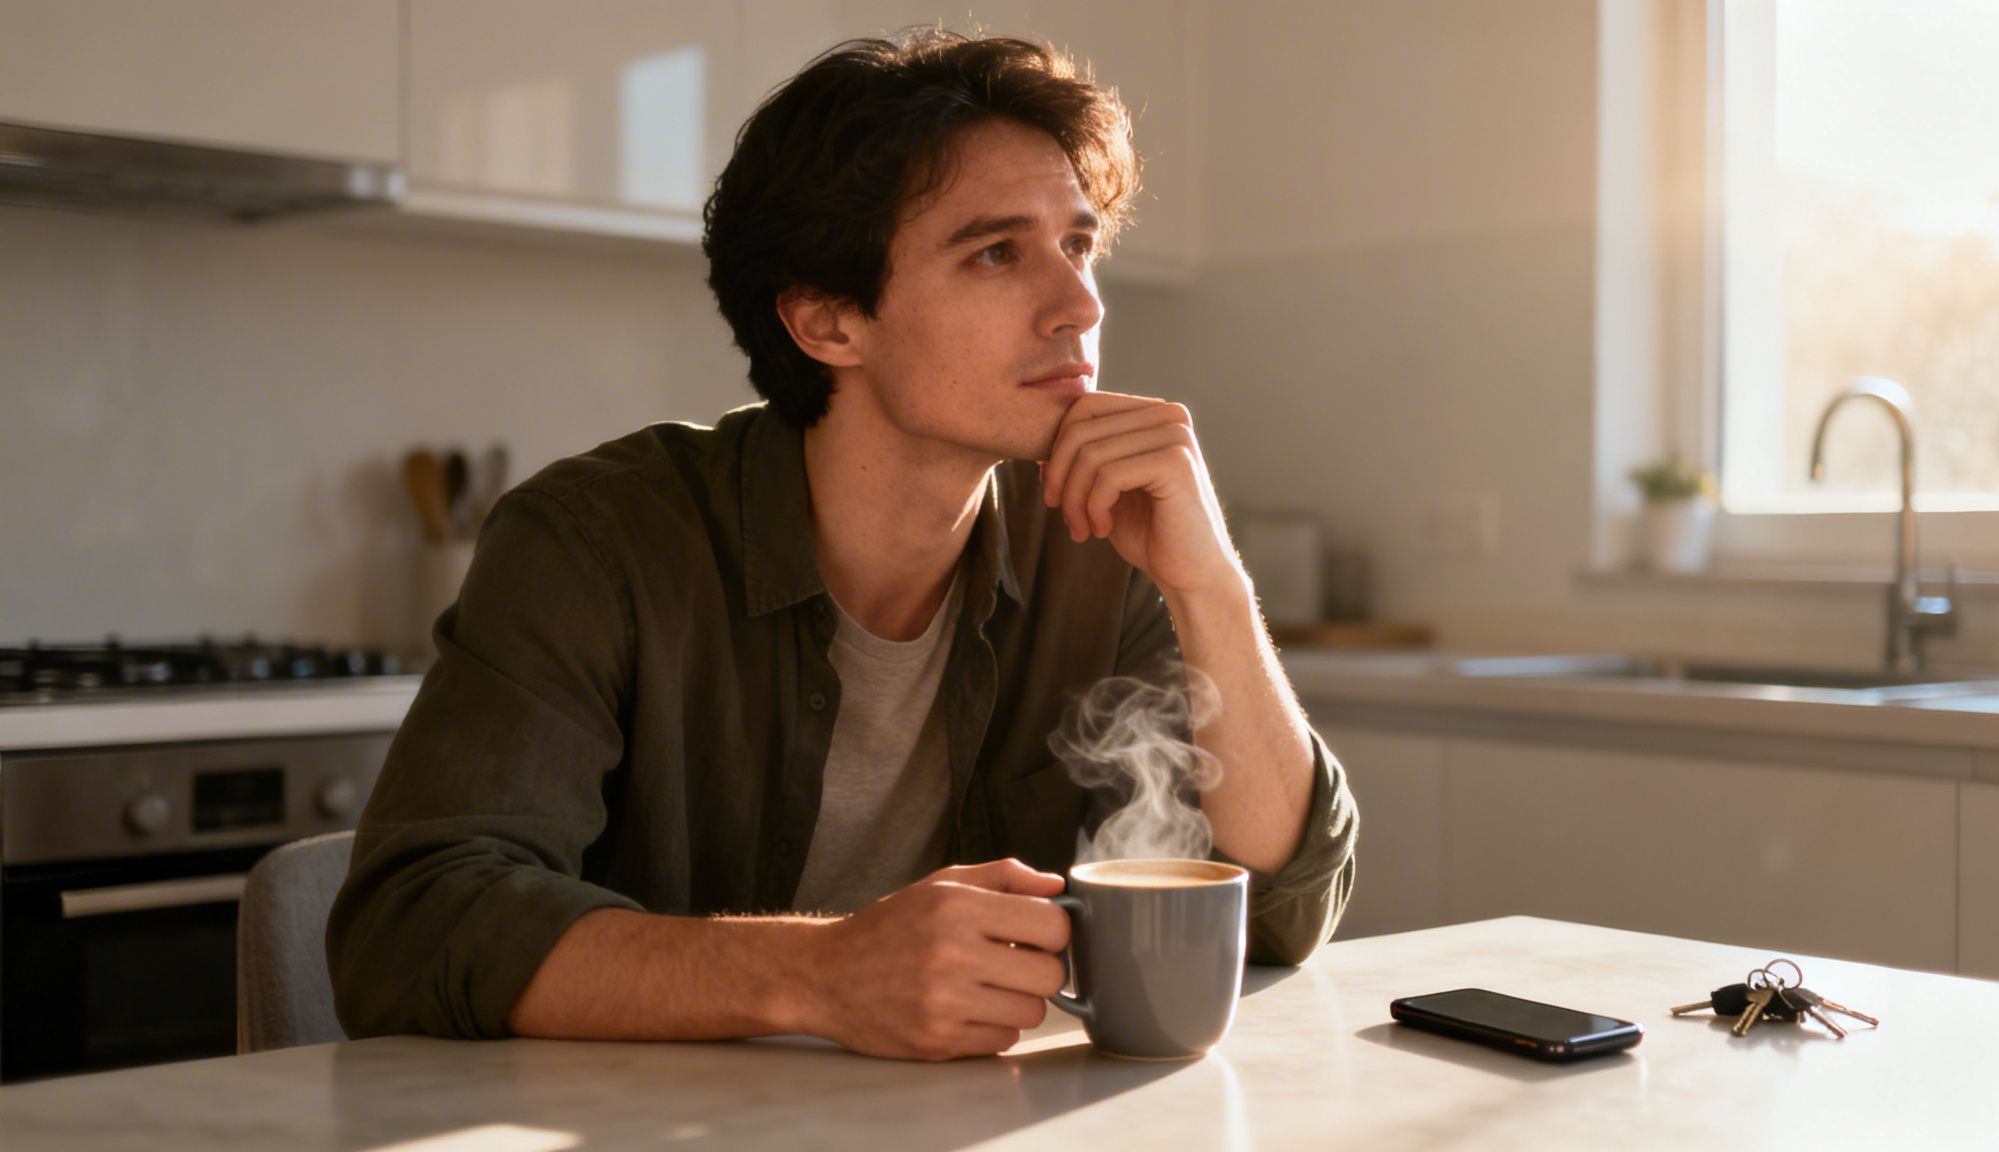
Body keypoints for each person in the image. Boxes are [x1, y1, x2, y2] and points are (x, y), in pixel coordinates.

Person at [328, 27, 1357, 1062]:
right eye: (997, 253)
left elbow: (1275, 911)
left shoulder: (1101, 544)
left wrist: (1210, 585)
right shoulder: (596, 541)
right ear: (827, 324)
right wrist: (820, 973)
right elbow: (414, 926)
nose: (1079, 308)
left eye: (1078, 247)